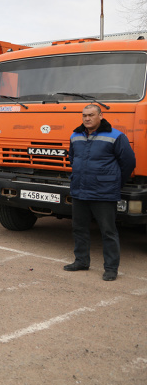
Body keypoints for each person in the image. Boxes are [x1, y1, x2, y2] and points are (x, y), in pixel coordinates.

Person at [64, 104, 135, 281]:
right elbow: (73, 158)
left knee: (108, 231)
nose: (87, 118)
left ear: (100, 116)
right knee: (79, 229)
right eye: (84, 115)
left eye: (91, 115)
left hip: (104, 192)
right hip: (80, 190)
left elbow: (128, 162)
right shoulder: (75, 135)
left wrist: (115, 183)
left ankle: (111, 268)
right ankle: (81, 261)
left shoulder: (116, 136)